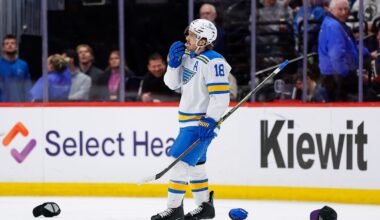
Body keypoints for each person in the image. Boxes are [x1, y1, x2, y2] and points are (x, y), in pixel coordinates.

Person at [151, 19, 231, 220]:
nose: (187, 38)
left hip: (201, 123)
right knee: (196, 165)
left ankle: (174, 208)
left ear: (203, 40)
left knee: (178, 163)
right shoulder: (187, 57)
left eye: (192, 36)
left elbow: (220, 96)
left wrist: (210, 119)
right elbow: (172, 84)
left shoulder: (214, 61)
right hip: (186, 122)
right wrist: (172, 64)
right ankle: (205, 206)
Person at [318, 0, 372, 101]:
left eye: (346, 9)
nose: (344, 12)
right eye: (340, 9)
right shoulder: (334, 26)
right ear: (331, 9)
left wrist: (367, 53)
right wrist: (347, 76)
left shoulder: (337, 24)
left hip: (336, 75)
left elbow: (350, 46)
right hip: (336, 78)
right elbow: (336, 55)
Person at [0, 34, 32, 102]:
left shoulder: (23, 65)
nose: (10, 45)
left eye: (12, 43)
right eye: (7, 43)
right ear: (3, 48)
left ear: (16, 47)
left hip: (19, 106)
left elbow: (27, 87)